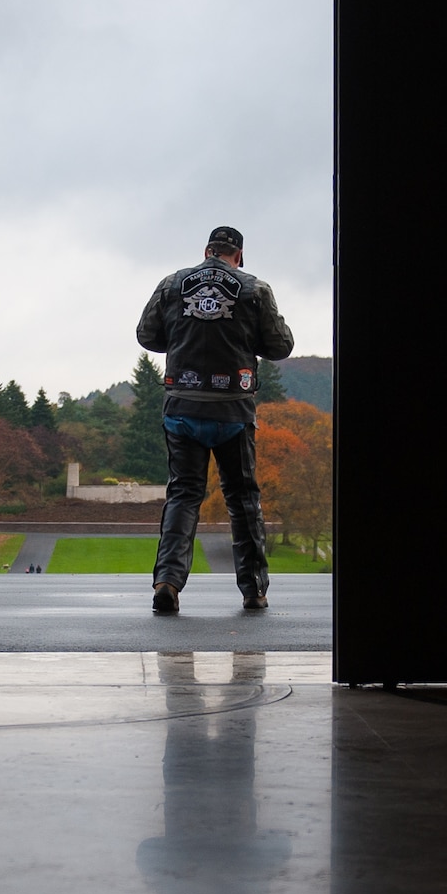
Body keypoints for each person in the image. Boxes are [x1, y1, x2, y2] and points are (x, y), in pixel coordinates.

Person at [135, 225, 294, 614]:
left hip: (182, 408)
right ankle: (254, 590)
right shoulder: (255, 289)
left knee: (184, 494)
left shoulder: (173, 283)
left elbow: (146, 335)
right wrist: (244, 339)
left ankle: (168, 583)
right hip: (233, 412)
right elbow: (281, 346)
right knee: (242, 500)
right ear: (238, 256)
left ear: (207, 251)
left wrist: (180, 337)